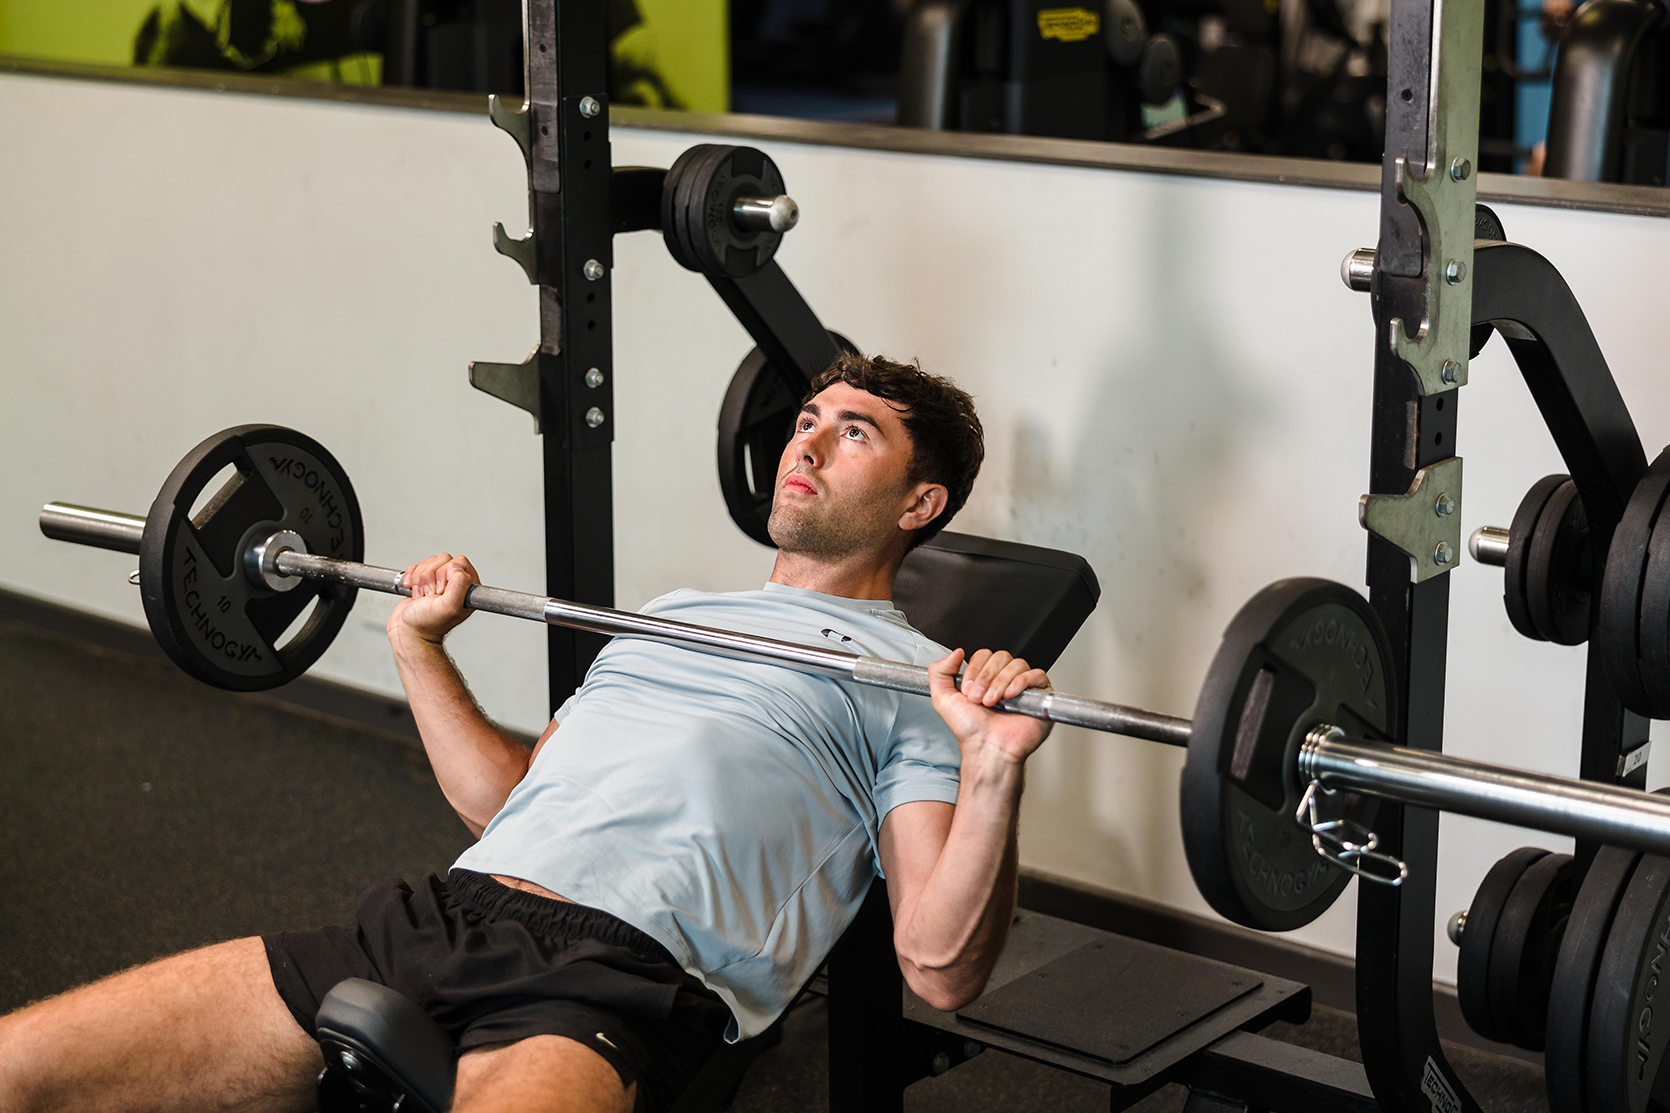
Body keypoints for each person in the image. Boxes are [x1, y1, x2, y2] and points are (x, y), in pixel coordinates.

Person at [0, 354, 1054, 1113]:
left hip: (618, 976)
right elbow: (507, 802)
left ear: (920, 501)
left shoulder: (916, 683)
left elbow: (938, 968)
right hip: (438, 913)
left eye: (852, 430)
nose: (806, 440)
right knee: (19, 1068)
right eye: (807, 418)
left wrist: (992, 769)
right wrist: (419, 647)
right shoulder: (667, 614)